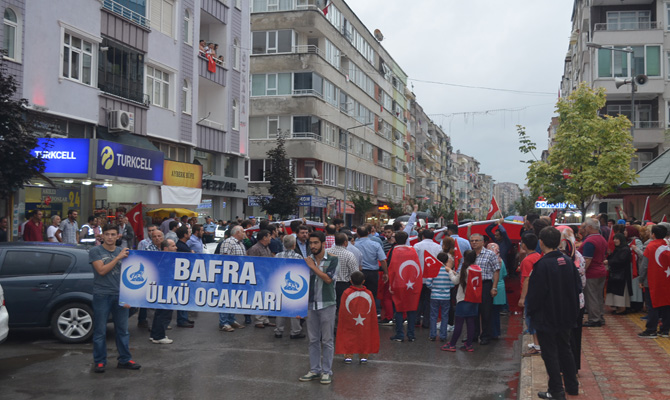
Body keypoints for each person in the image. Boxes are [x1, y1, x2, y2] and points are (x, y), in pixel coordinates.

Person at [526, 227, 581, 400]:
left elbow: (535, 295)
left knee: (550, 354)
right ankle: (572, 387)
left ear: (541, 242)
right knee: (565, 350)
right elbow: (578, 287)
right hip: (567, 315)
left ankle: (556, 390)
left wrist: (531, 313)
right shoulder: (567, 261)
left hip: (547, 318)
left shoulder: (542, 265)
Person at [89, 224, 141, 373]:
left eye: (113, 234)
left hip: (121, 295)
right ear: (102, 236)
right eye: (107, 234)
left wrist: (131, 296)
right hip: (102, 294)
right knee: (100, 330)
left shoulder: (124, 251)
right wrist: (118, 257)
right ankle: (99, 361)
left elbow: (132, 275)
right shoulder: (95, 251)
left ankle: (125, 359)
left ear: (118, 236)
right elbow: (101, 270)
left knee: (123, 330)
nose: (110, 237)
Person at [299, 231, 339, 385]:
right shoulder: (307, 260)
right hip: (310, 304)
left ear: (323, 244)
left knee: (327, 340)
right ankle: (315, 370)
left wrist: (312, 266)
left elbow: (328, 279)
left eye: (316, 243)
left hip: (327, 303)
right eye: (311, 243)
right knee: (313, 339)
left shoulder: (333, 260)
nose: (313, 246)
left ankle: (327, 371)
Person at [335, 270, 380, 365]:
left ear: (351, 281)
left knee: (349, 336)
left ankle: (348, 356)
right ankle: (363, 356)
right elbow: (372, 309)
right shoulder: (369, 293)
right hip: (365, 320)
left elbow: (343, 308)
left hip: (350, 319)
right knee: (364, 335)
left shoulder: (346, 293)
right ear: (363, 281)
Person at [442, 250, 479, 352]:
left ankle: (452, 344)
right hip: (474, 299)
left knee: (459, 323)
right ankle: (468, 344)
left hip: (463, 299)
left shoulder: (465, 268)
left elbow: (455, 281)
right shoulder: (477, 268)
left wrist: (449, 271)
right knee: (470, 322)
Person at [637, 224, 670, 338]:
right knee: (666, 304)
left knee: (653, 306)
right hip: (667, 279)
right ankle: (665, 330)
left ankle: (651, 329)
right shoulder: (668, 245)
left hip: (652, 280)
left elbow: (644, 266)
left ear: (653, 234)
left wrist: (641, 279)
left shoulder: (651, 247)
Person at [388, 231, 421, 342]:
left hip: (398, 283)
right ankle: (411, 335)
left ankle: (400, 334)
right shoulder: (413, 250)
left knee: (398, 309)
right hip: (412, 283)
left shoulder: (394, 251)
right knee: (412, 308)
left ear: (396, 239)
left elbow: (391, 269)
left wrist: (390, 285)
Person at [469, 233, 500, 345]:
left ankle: (486, 336)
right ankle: (473, 335)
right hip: (472, 286)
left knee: (486, 312)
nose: (474, 243)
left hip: (485, 285)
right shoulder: (470, 254)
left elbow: (496, 270)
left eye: (477, 240)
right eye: (472, 241)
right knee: (473, 312)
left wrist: (494, 287)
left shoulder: (490, 254)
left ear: (482, 242)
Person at [274, 235, 306, 339]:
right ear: (294, 245)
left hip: (279, 284)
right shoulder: (298, 257)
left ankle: (279, 330)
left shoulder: (277, 256)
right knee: (294, 308)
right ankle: (295, 331)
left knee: (280, 308)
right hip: (293, 287)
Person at [579, 218, 608, 327]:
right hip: (600, 270)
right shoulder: (601, 239)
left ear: (590, 228)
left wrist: (582, 272)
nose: (584, 228)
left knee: (591, 296)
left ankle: (594, 319)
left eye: (586, 226)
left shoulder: (590, 241)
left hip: (592, 272)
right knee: (598, 296)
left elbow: (587, 259)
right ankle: (599, 316)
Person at [217, 225, 247, 332]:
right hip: (229, 275)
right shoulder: (228, 242)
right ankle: (224, 322)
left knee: (234, 298)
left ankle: (231, 319)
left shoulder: (241, 244)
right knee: (226, 298)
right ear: (237, 232)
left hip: (238, 276)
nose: (244, 233)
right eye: (243, 231)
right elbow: (225, 258)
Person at [518, 233, 542, 356]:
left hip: (530, 294)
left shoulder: (527, 260)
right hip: (537, 293)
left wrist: (522, 297)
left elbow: (527, 279)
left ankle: (537, 346)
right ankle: (537, 344)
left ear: (524, 245)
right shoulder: (538, 256)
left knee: (530, 319)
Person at [150, 238, 178, 344]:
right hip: (166, 289)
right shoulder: (166, 259)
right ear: (166, 248)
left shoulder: (161, 257)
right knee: (164, 313)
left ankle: (155, 334)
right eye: (173, 246)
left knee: (159, 312)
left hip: (162, 289)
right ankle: (159, 335)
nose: (176, 248)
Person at [413, 229, 443, 329]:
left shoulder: (417, 246)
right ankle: (427, 322)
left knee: (418, 300)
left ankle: (416, 320)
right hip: (432, 278)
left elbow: (413, 261)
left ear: (423, 236)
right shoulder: (438, 247)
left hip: (419, 277)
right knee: (429, 301)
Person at [247, 230, 275, 329]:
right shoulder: (255, 249)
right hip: (258, 277)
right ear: (264, 238)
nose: (271, 238)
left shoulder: (266, 248)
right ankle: (258, 320)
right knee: (259, 298)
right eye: (269, 236)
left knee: (266, 298)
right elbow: (250, 264)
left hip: (267, 276)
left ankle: (265, 319)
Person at [354, 225, 388, 302]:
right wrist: (386, 273)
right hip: (373, 273)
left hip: (358, 273)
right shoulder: (376, 244)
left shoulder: (354, 245)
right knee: (372, 295)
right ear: (368, 233)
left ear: (358, 234)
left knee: (358, 295)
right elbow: (382, 260)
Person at [426, 251, 454, 342]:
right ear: (447, 261)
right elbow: (452, 284)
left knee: (433, 315)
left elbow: (428, 283)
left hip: (434, 296)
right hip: (446, 296)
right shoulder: (448, 270)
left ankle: (433, 335)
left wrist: (433, 288)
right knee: (445, 316)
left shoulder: (434, 269)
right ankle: (443, 335)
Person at [327, 232, 359, 312]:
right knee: (342, 307)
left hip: (328, 283)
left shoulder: (326, 252)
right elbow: (355, 273)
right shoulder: (349, 255)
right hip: (343, 284)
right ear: (345, 242)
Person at [605, 233, 632, 314]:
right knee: (616, 292)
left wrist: (609, 261)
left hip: (622, 275)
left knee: (620, 293)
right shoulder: (619, 249)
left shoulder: (625, 249)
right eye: (614, 239)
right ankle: (618, 307)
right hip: (616, 274)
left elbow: (621, 260)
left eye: (617, 239)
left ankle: (622, 308)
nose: (615, 241)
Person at [174, 226, 195, 328]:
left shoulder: (183, 245)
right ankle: (182, 319)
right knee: (182, 297)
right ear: (185, 235)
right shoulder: (181, 247)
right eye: (188, 233)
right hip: (182, 276)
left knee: (184, 297)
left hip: (184, 275)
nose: (190, 234)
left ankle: (184, 317)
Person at [487, 242, 508, 340]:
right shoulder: (501, 260)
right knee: (496, 312)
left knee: (491, 312)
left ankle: (493, 332)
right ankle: (496, 332)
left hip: (492, 287)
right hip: (500, 287)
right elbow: (504, 274)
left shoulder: (489, 261)